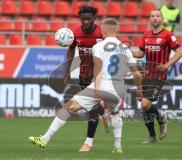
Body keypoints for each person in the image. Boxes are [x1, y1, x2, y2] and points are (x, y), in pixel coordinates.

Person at [28, 18, 142, 154]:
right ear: (115, 30)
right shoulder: (126, 49)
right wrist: (139, 91)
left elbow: (98, 70)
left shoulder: (98, 46)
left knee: (68, 107)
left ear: (103, 30)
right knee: (116, 113)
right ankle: (117, 147)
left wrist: (97, 90)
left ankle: (45, 139)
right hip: (118, 92)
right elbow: (136, 74)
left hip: (102, 87)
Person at [63, 5, 109, 152]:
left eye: (89, 19)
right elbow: (71, 49)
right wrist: (68, 71)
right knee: (91, 106)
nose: (86, 22)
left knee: (91, 109)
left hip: (99, 76)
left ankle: (88, 143)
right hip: (83, 75)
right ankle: (105, 114)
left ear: (94, 19)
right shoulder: (75, 33)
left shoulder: (102, 33)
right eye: (83, 19)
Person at [132, 10, 182, 143]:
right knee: (144, 108)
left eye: (157, 16)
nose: (155, 18)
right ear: (150, 19)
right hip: (146, 74)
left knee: (144, 104)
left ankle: (162, 119)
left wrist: (167, 64)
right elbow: (140, 53)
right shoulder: (146, 35)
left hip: (159, 75)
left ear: (162, 18)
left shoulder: (168, 35)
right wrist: (127, 51)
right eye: (152, 16)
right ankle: (152, 137)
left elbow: (179, 53)